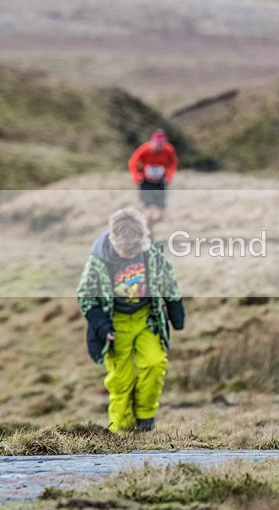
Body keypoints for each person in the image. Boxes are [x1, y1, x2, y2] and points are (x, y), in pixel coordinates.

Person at [77, 207, 184, 433]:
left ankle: (145, 418)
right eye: (125, 251)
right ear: (113, 239)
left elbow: (168, 280)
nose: (130, 253)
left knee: (155, 363)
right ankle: (121, 430)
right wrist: (102, 325)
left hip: (147, 319)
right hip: (116, 324)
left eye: (134, 249)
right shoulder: (98, 260)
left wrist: (175, 309)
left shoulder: (151, 253)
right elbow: (86, 296)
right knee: (121, 381)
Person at [127, 129, 178, 232]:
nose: (159, 148)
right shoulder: (144, 149)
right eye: (157, 145)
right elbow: (132, 163)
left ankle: (146, 228)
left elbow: (173, 164)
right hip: (146, 182)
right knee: (149, 212)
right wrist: (136, 176)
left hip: (160, 182)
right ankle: (147, 232)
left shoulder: (168, 150)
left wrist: (169, 176)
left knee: (160, 215)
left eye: (161, 146)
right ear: (152, 142)